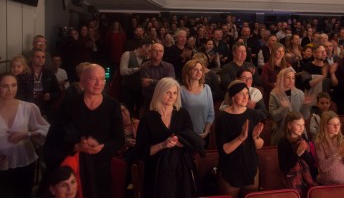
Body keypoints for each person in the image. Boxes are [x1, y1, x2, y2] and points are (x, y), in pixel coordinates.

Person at [44, 64, 124, 198]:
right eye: (93, 79)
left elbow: (119, 140)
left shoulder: (112, 105)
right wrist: (76, 146)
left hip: (101, 166)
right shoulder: (70, 104)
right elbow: (53, 137)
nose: (99, 83)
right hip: (73, 167)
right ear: (82, 81)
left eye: (102, 78)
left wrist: (101, 147)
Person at [135, 77, 204, 198]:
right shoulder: (147, 118)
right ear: (159, 92)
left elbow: (192, 143)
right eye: (168, 92)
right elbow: (141, 152)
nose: (172, 96)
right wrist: (163, 145)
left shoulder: (183, 114)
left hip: (182, 170)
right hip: (157, 172)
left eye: (175, 93)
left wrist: (179, 142)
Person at [0, 72, 50, 198]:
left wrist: (27, 134)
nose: (10, 90)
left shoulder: (28, 108)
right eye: (5, 86)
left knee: (23, 194)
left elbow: (46, 130)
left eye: (13, 85)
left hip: (24, 159)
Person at [215, 81, 264, 198]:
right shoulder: (222, 118)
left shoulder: (254, 114)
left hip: (250, 165)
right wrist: (241, 138)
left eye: (247, 94)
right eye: (241, 94)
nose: (245, 97)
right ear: (233, 96)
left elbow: (259, 145)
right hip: (230, 168)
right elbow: (224, 150)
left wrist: (254, 137)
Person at [277, 112, 315, 196]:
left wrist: (303, 152)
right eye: (298, 125)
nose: (302, 128)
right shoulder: (283, 143)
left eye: (303, 125)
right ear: (289, 125)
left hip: (306, 181)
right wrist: (297, 154)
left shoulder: (303, 139)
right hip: (291, 183)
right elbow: (284, 167)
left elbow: (311, 162)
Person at [269, 68, 310, 145]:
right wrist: (283, 108)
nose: (291, 80)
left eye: (293, 78)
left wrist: (305, 105)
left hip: (299, 133)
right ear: (281, 79)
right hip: (282, 133)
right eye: (288, 77)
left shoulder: (300, 93)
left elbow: (306, 116)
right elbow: (274, 117)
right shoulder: (274, 94)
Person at [180, 60, 215, 147]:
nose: (199, 72)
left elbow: (211, 113)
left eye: (201, 70)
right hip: (186, 135)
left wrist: (206, 131)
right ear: (188, 71)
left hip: (204, 134)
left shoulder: (207, 88)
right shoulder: (180, 90)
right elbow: (178, 116)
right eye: (195, 69)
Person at [315, 111, 344, 185]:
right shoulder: (319, 142)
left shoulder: (342, 139)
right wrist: (339, 155)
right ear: (325, 126)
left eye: (338, 124)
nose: (336, 127)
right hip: (326, 184)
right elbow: (323, 167)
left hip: (342, 182)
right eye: (333, 125)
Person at [140, 43, 176, 109]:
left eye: (160, 51)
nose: (158, 53)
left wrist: (151, 81)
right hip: (149, 100)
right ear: (150, 52)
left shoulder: (169, 66)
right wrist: (163, 84)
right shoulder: (144, 67)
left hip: (165, 101)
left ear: (163, 52)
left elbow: (170, 84)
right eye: (155, 50)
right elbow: (146, 86)